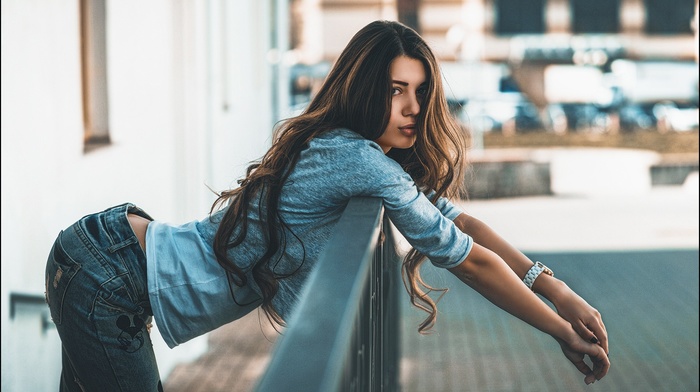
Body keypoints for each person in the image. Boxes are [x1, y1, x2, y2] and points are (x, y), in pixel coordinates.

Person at [45, 20, 610, 391]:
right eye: (395, 90)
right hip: (111, 276)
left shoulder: (358, 153)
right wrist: (561, 330)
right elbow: (465, 257)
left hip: (109, 255)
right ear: (366, 89)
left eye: (420, 91)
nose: (413, 107)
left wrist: (553, 286)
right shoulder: (355, 158)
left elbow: (460, 222)